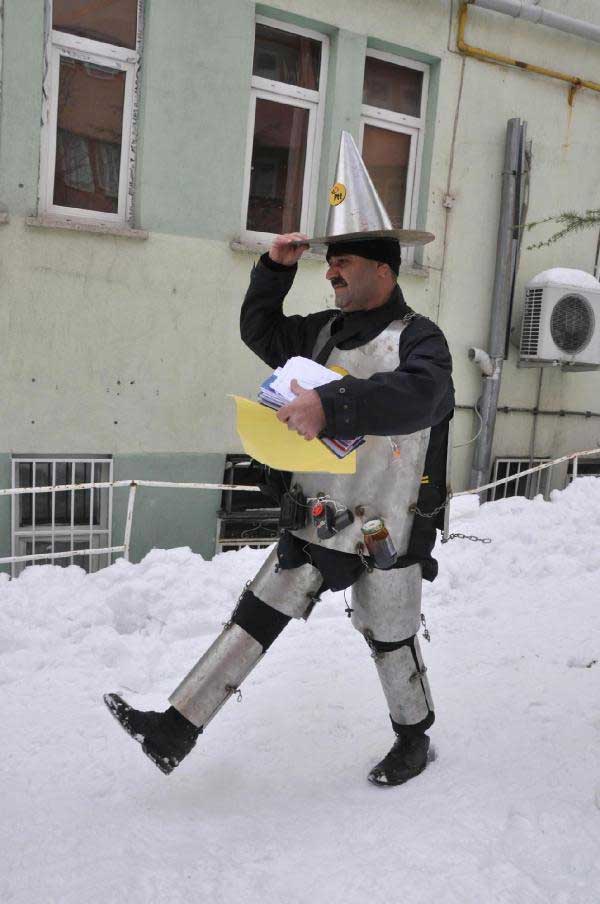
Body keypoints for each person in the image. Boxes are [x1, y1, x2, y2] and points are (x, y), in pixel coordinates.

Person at [104, 231, 454, 786]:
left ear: (384, 271)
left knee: (390, 633)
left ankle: (414, 740)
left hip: (390, 521)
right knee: (259, 610)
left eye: (344, 262)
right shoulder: (324, 330)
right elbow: (261, 330)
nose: (331, 272)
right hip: (318, 510)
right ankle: (173, 731)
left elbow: (422, 395)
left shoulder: (420, 339)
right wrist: (273, 269)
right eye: (329, 262)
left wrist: (330, 403)